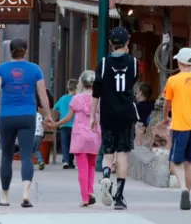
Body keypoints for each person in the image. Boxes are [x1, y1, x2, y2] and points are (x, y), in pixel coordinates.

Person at [0, 37, 54, 208]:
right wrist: (48, 115)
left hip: (6, 116)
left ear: (10, 51)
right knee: (27, 155)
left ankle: (5, 197)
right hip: (28, 115)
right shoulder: (35, 69)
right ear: (26, 51)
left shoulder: (1, 69)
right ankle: (26, 194)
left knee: (6, 156)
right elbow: (42, 94)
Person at [90, 27, 139, 210]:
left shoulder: (103, 64)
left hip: (107, 112)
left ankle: (105, 176)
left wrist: (92, 115)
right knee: (123, 153)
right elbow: (133, 81)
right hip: (126, 113)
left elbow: (96, 91)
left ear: (111, 43)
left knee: (108, 153)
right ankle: (119, 196)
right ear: (127, 43)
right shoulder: (133, 63)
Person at [162, 47, 191, 210]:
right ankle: (188, 192)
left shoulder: (172, 80)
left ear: (179, 62)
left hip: (179, 125)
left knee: (175, 161)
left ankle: (182, 188)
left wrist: (164, 117)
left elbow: (167, 102)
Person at [54, 70, 101, 207]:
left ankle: (85, 198)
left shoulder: (76, 99)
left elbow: (68, 117)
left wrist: (55, 125)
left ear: (82, 83)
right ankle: (90, 192)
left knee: (82, 168)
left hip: (80, 137)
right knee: (92, 166)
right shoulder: (99, 99)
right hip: (94, 135)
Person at [54, 79, 78, 169]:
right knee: (73, 144)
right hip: (75, 125)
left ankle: (65, 161)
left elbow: (55, 108)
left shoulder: (62, 99)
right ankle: (71, 161)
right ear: (76, 88)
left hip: (63, 124)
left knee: (64, 143)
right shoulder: (77, 98)